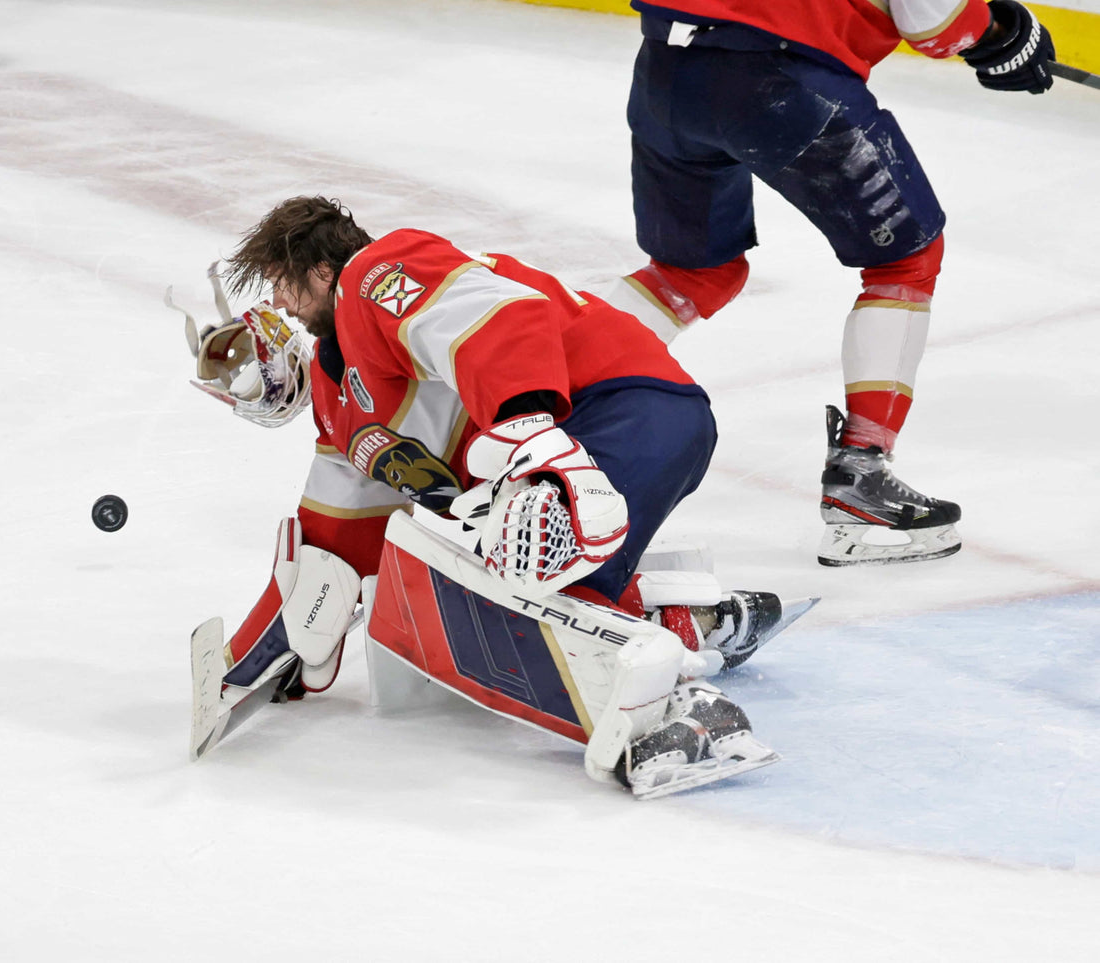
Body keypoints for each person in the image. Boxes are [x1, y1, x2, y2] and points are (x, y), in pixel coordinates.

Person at [176, 195, 812, 796]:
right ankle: (700, 619)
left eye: (282, 282)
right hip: (580, 440)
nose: (281, 303)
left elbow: (503, 318)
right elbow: (333, 542)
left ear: (320, 270)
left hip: (621, 405)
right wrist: (253, 663)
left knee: (531, 591)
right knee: (481, 599)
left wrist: (527, 428)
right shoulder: (337, 399)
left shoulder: (378, 273)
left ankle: (684, 710)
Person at [605, 0, 1055, 566]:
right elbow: (932, 18)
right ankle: (862, 471)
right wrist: (998, 33)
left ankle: (541, 397)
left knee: (690, 273)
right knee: (905, 261)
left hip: (665, 73)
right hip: (779, 79)